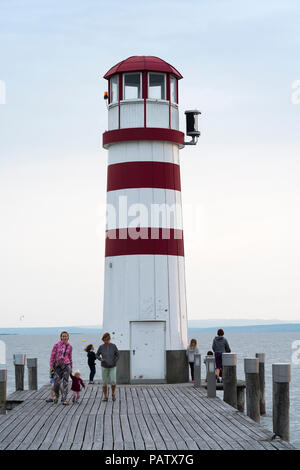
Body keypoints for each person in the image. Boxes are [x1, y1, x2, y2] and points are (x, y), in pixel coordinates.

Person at [50, 331, 73, 405]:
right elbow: (52, 356)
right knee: (56, 383)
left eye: (65, 336)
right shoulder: (56, 345)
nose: (64, 337)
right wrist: (51, 366)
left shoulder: (70, 346)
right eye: (63, 336)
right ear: (61, 337)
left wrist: (71, 367)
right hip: (57, 366)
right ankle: (57, 396)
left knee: (65, 383)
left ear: (68, 337)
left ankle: (64, 399)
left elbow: (70, 357)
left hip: (66, 365)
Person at [96, 332, 120, 402]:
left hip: (113, 366)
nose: (106, 341)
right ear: (103, 340)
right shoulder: (101, 347)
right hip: (104, 367)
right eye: (105, 340)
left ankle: (113, 394)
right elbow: (96, 355)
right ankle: (105, 396)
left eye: (108, 340)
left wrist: (114, 361)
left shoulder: (113, 346)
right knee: (104, 382)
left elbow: (118, 355)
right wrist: (100, 359)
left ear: (110, 339)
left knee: (113, 381)